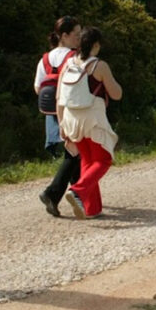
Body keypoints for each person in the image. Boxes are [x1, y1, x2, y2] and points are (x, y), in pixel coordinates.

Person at [57, 26, 123, 218]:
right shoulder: (98, 66)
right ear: (95, 45)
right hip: (92, 119)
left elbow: (59, 97)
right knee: (103, 159)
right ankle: (78, 191)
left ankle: (92, 209)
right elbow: (116, 94)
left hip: (71, 119)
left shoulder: (68, 64)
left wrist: (62, 124)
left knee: (88, 160)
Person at [35, 16, 82, 217]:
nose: (80, 38)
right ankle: (52, 193)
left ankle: (80, 196)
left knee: (73, 153)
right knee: (75, 153)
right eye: (76, 34)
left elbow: (38, 87)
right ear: (64, 36)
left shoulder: (45, 58)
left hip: (51, 112)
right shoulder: (74, 57)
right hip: (70, 110)